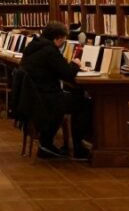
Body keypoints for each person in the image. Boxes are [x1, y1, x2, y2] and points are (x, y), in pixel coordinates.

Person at [19, 21, 91, 160]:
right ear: (58, 38)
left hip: (35, 96)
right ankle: (76, 147)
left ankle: (47, 143)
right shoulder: (50, 51)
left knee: (74, 98)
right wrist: (75, 64)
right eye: (64, 39)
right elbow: (67, 73)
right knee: (84, 104)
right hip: (46, 98)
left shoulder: (33, 46)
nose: (64, 42)